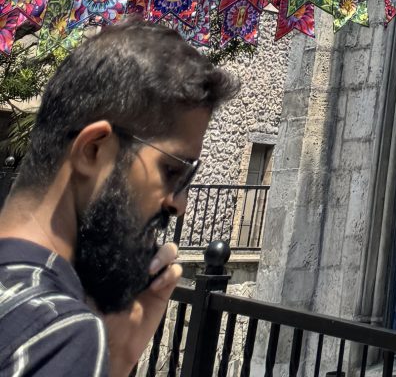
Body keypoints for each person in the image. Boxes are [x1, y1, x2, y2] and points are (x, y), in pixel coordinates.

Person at [0, 23, 237, 377]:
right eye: (172, 171)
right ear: (93, 150)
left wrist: (115, 359)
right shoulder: (56, 334)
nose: (180, 204)